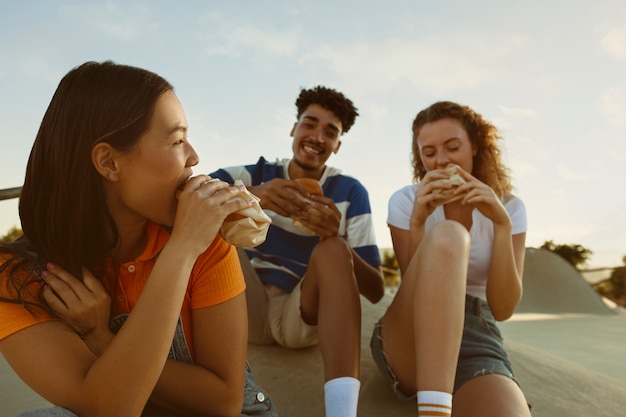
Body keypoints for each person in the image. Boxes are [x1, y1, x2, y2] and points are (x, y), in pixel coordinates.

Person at [0, 61, 268, 417]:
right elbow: (107, 407)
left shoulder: (205, 241)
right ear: (108, 163)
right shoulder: (19, 278)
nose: (194, 157)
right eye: (177, 140)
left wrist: (100, 339)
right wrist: (184, 247)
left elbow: (224, 403)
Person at [210, 85, 385, 417]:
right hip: (243, 303)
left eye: (329, 132)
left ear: (337, 145)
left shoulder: (349, 192)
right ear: (294, 128)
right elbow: (185, 197)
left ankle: (342, 412)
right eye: (309, 124)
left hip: (301, 314)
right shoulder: (254, 175)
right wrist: (254, 194)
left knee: (334, 249)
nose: (317, 136)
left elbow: (375, 290)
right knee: (211, 214)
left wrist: (336, 238)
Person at [370, 101, 531, 417]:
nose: (441, 161)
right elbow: (413, 292)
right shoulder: (405, 201)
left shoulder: (510, 208)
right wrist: (419, 222)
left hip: (478, 335)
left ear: (475, 147)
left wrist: (501, 224)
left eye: (452, 147)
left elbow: (503, 308)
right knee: (449, 234)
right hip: (410, 335)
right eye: (429, 153)